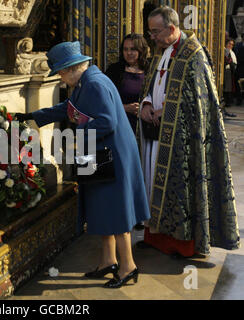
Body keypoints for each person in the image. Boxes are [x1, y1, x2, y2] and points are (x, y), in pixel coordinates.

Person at [16, 41, 150, 288]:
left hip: (110, 156)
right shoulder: (88, 81)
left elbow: (106, 122)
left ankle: (128, 266)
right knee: (103, 207)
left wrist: (76, 133)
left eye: (59, 73)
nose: (59, 78)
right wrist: (34, 117)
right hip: (103, 153)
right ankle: (108, 261)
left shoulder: (94, 84)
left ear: (70, 69)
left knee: (116, 210)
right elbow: (68, 109)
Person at [138, 6, 240, 258]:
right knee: (152, 183)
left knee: (181, 189)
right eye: (150, 32)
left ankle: (181, 244)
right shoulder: (159, 53)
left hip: (181, 141)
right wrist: (147, 104)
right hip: (155, 136)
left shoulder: (193, 54)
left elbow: (199, 102)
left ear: (172, 29)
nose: (152, 37)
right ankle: (155, 236)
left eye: (155, 32)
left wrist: (167, 112)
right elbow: (152, 85)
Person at [105, 33, 150, 231]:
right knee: (124, 170)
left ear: (141, 50)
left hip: (145, 128)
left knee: (143, 169)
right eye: (125, 49)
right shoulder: (114, 70)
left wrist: (143, 109)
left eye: (133, 49)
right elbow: (104, 99)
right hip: (121, 125)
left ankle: (140, 213)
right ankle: (124, 212)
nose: (129, 53)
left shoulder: (151, 69)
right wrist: (125, 108)